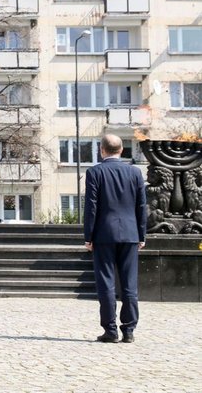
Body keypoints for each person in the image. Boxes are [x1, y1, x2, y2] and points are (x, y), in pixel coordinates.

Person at [84, 133, 147, 344]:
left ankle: (110, 330)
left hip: (104, 234)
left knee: (106, 284)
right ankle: (129, 330)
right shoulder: (135, 173)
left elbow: (91, 207)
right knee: (130, 285)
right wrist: (142, 235)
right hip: (130, 234)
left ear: (102, 150)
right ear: (121, 150)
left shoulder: (95, 172)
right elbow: (141, 206)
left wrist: (88, 236)